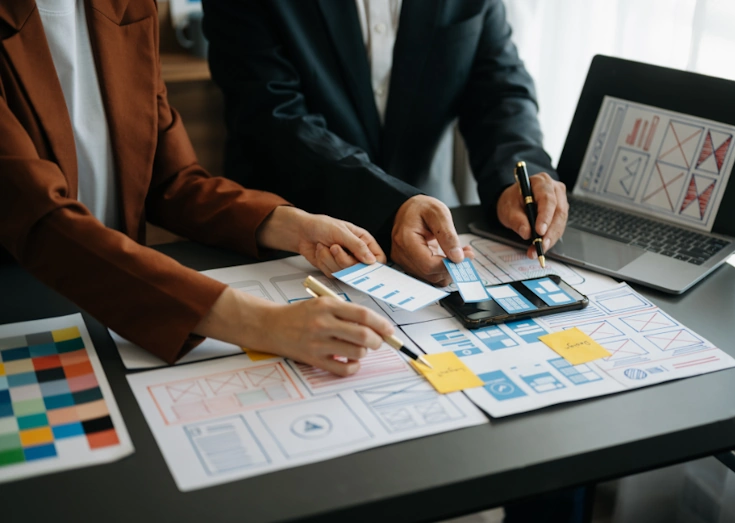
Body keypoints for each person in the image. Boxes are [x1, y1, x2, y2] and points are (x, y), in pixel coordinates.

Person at [0, 0, 395, 376]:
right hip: (23, 313)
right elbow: (42, 220)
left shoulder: (128, 7)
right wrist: (262, 322)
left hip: (123, 307)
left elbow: (171, 180)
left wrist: (291, 225)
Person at [201, 0, 570, 285]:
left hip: (431, 233)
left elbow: (499, 90)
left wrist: (519, 178)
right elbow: (272, 118)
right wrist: (391, 206)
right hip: (288, 241)